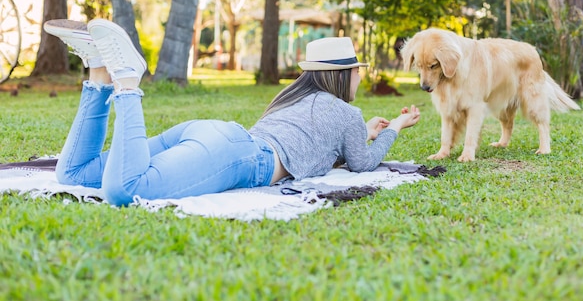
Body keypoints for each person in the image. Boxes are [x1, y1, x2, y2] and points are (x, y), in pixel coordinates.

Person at [44, 18, 421, 206]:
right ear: (345, 75)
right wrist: (397, 126)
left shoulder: (295, 96)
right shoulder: (346, 115)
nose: (358, 78)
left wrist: (367, 130)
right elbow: (364, 163)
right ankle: (127, 82)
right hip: (238, 157)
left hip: (211, 134)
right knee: (124, 190)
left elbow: (334, 143)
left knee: (75, 173)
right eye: (357, 72)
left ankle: (97, 71)